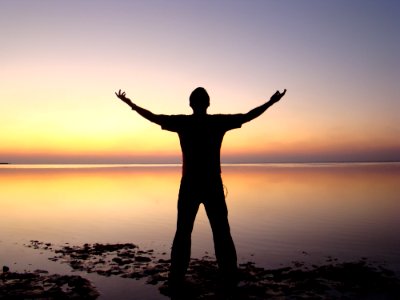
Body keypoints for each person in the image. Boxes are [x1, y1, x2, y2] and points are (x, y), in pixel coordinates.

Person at [115, 87, 286, 296]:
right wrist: (270, 103)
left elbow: (154, 117)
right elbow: (248, 116)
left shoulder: (184, 123)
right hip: (211, 184)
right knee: (221, 232)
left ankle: (177, 278)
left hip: (191, 185)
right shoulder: (216, 122)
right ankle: (229, 276)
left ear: (190, 104)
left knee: (184, 232)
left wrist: (131, 105)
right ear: (208, 104)